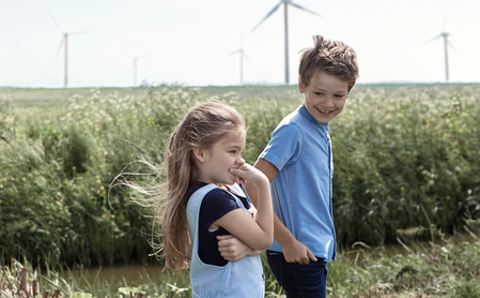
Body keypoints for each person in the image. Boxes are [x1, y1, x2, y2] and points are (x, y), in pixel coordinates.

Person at [219, 35, 359, 297]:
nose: (328, 103)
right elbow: (251, 185)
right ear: (301, 85)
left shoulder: (318, 127)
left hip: (312, 248)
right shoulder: (293, 130)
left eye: (338, 95)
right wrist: (287, 242)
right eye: (319, 93)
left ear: (349, 92)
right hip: (295, 250)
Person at [160, 101, 273, 298]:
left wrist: (246, 249)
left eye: (241, 152)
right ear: (201, 153)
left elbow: (258, 233)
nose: (241, 160)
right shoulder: (214, 200)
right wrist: (263, 183)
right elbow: (264, 239)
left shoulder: (232, 188)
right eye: (232, 151)